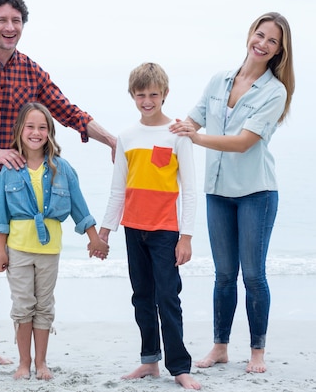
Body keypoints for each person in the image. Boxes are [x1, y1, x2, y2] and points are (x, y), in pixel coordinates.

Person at [0, 0, 116, 379]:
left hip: (1, 192)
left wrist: (112, 140)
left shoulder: (30, 71)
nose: (9, 27)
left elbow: (67, 110)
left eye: (16, 21)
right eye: (2, 20)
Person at [171, 12, 295, 373]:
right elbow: (192, 120)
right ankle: (220, 347)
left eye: (272, 41)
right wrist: (164, 129)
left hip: (257, 192)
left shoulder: (275, 91)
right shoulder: (219, 80)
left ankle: (257, 351)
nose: (263, 43)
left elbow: (242, 143)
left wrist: (195, 138)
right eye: (260, 35)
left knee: (253, 274)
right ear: (249, 35)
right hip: (218, 193)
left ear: (278, 51)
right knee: (224, 274)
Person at [97, 63, 201, 390]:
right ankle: (149, 361)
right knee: (142, 297)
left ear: (164, 94)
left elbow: (190, 190)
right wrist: (104, 231)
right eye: (141, 95)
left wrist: (186, 237)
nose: (147, 100)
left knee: (168, 297)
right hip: (133, 229)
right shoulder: (126, 137)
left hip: (166, 231)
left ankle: (180, 367)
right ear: (133, 96)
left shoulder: (178, 134)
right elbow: (118, 189)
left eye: (153, 94)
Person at [0, 102, 109, 380]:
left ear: (50, 132)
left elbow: (79, 207)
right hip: (18, 249)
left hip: (49, 249)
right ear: (20, 130)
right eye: (30, 127)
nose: (36, 132)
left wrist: (95, 240)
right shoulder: (9, 169)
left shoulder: (62, 168)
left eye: (42, 127)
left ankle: (41, 363)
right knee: (23, 306)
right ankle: (24, 363)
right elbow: (1, 216)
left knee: (44, 306)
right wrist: (0, 250)